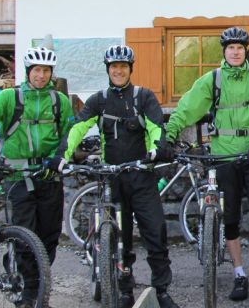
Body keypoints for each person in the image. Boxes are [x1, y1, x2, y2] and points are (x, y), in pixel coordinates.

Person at [57, 45, 179, 308]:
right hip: (112, 178)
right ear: (108, 70)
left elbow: (157, 127)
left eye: (123, 66)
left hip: (141, 175)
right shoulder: (98, 100)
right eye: (114, 67)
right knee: (121, 239)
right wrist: (62, 155)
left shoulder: (143, 97)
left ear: (130, 69)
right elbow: (78, 128)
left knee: (156, 233)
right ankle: (125, 289)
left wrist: (156, 149)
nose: (119, 71)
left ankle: (162, 290)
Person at [0, 46, 74, 306]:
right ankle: (30, 296)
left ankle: (38, 286)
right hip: (16, 176)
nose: (41, 75)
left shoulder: (59, 101)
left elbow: (70, 133)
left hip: (48, 177)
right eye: (37, 70)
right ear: (29, 71)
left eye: (46, 71)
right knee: (25, 236)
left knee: (49, 239)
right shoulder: (10, 98)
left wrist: (61, 155)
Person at [164, 27, 249, 303]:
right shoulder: (211, 80)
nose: (236, 52)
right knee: (232, 219)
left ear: (245, 50)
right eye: (231, 48)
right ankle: (239, 274)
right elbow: (186, 108)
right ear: (224, 51)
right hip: (223, 157)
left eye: (240, 47)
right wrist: (169, 135)